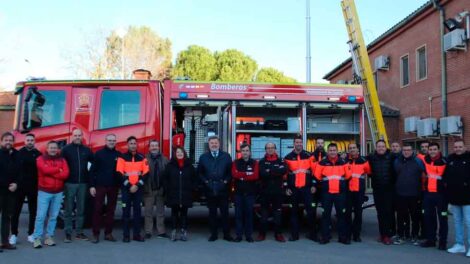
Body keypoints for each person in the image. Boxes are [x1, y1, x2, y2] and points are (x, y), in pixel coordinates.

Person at [32, 141, 69, 248]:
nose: (53, 149)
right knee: (41, 216)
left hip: (58, 192)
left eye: (55, 148)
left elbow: (66, 174)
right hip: (44, 191)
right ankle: (37, 238)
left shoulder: (62, 159)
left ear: (58, 149)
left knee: (53, 216)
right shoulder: (40, 159)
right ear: (47, 149)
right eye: (51, 148)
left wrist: (53, 173)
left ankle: (49, 237)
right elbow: (44, 170)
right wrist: (58, 170)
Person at [198, 136, 233, 242]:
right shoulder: (203, 157)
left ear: (219, 144)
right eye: (212, 143)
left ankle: (227, 234)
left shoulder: (226, 156)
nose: (214, 145)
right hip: (210, 189)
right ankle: (214, 234)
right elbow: (200, 173)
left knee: (225, 213)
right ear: (208, 145)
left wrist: (225, 182)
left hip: (223, 189)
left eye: (216, 143)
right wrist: (206, 182)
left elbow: (230, 172)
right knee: (212, 213)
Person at [61, 129, 94, 242]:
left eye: (79, 135)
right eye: (75, 135)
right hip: (69, 183)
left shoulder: (87, 150)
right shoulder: (65, 150)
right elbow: (61, 166)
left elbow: (93, 165)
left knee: (81, 209)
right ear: (72, 136)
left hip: (83, 184)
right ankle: (68, 233)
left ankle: (79, 232)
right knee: (68, 209)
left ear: (82, 136)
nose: (77, 137)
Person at [315, 143, 351, 244]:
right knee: (325, 216)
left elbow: (348, 176)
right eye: (330, 150)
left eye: (334, 150)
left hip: (340, 193)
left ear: (337, 151)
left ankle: (342, 237)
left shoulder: (343, 162)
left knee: (341, 216)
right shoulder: (322, 163)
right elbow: (317, 176)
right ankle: (325, 237)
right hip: (327, 194)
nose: (332, 152)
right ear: (328, 151)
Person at [284, 134, 317, 241]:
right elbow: (285, 175)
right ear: (294, 144)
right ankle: (295, 235)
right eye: (296, 142)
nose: (298, 144)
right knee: (294, 213)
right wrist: (287, 187)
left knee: (311, 212)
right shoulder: (288, 157)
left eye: (300, 142)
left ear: (302, 143)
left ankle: (312, 234)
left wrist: (313, 184)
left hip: (307, 188)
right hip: (294, 189)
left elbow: (315, 171)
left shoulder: (309, 156)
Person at [116, 136, 149, 242]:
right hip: (127, 190)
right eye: (131, 143)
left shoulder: (142, 157)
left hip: (138, 190)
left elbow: (146, 173)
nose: (133, 145)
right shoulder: (122, 157)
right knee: (125, 213)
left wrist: (137, 185)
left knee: (137, 213)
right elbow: (119, 174)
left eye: (135, 143)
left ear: (137, 145)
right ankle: (126, 236)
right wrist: (130, 186)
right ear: (127, 145)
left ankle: (136, 235)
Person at [89, 134, 121, 243]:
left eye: (113, 140)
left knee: (111, 211)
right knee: (97, 210)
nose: (111, 142)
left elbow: (121, 172)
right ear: (105, 141)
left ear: (115, 142)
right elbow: (92, 171)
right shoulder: (99, 154)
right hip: (100, 185)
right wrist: (92, 186)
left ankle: (108, 233)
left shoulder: (119, 155)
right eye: (109, 140)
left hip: (114, 186)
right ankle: (95, 234)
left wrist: (120, 185)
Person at [10, 133, 41, 245]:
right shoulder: (18, 154)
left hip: (33, 187)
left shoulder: (38, 155)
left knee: (33, 212)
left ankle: (31, 234)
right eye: (28, 140)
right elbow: (13, 170)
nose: (30, 142)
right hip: (20, 187)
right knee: (15, 211)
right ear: (24, 141)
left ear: (34, 141)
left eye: (32, 140)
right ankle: (14, 234)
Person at [392, 143, 425, 245]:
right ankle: (401, 235)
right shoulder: (397, 161)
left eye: (408, 150)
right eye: (404, 150)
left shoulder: (418, 161)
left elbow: (424, 175)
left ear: (412, 151)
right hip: (400, 193)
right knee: (401, 216)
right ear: (402, 151)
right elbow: (394, 175)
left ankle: (414, 235)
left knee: (415, 216)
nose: (406, 152)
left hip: (415, 194)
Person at [164, 147, 196, 241]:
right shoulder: (170, 165)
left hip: (186, 194)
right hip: (173, 194)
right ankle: (173, 231)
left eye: (181, 152)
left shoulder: (189, 166)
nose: (179, 153)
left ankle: (183, 231)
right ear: (175, 154)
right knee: (174, 214)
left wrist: (192, 188)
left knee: (184, 214)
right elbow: (165, 179)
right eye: (177, 152)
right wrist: (168, 189)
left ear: (184, 153)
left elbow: (194, 178)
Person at [368, 140, 396, 245]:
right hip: (377, 190)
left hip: (389, 190)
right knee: (380, 213)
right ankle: (382, 234)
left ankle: (388, 235)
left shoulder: (392, 157)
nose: (381, 148)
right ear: (376, 147)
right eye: (379, 146)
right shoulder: (371, 157)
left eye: (382, 146)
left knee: (388, 212)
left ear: (386, 147)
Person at [257, 142, 287, 243]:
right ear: (265, 150)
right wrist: (275, 171)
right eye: (268, 148)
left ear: (275, 149)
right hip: (265, 192)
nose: (270, 149)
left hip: (278, 192)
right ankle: (262, 234)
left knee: (277, 214)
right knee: (264, 215)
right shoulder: (261, 162)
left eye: (272, 148)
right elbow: (262, 173)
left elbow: (283, 170)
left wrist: (269, 171)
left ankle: (278, 234)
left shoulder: (281, 160)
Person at [420, 142, 447, 250]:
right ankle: (431, 240)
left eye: (434, 149)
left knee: (442, 219)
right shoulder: (425, 161)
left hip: (441, 195)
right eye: (430, 149)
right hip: (428, 194)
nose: (432, 151)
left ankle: (442, 242)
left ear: (438, 150)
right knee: (428, 218)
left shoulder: (445, 161)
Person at [445, 140, 470, 256]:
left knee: (469, 222)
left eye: (460, 146)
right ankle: (459, 244)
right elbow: (446, 177)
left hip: (468, 198)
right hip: (454, 197)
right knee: (457, 222)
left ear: (465, 147)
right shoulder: (450, 159)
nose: (458, 149)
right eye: (455, 147)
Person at [232, 144, 259, 243]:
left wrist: (242, 175)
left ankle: (249, 236)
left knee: (249, 215)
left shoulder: (254, 163)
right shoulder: (235, 162)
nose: (245, 152)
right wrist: (247, 174)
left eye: (247, 150)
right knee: (238, 215)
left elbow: (255, 176)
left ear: (250, 152)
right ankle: (238, 235)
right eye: (243, 150)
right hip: (238, 193)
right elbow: (235, 174)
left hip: (250, 194)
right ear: (240, 152)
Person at [345, 143, 370, 242]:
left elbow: (369, 172)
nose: (352, 150)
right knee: (347, 214)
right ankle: (347, 234)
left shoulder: (364, 161)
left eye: (353, 148)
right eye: (350, 148)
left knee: (358, 214)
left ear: (357, 149)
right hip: (348, 192)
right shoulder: (345, 161)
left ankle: (356, 234)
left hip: (359, 192)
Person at [144, 140, 169, 239]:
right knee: (148, 212)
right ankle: (148, 232)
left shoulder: (165, 159)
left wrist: (165, 188)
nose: (154, 147)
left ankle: (161, 231)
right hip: (149, 189)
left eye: (156, 146)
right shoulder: (144, 159)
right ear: (149, 148)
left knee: (160, 212)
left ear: (159, 147)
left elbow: (167, 175)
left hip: (160, 189)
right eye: (152, 146)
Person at [0, 132, 19, 251]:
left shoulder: (17, 155)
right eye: (6, 140)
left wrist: (16, 184)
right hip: (0, 189)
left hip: (11, 191)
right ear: (1, 141)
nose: (8, 142)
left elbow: (20, 172)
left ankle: (5, 242)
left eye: (10, 140)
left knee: (7, 217)